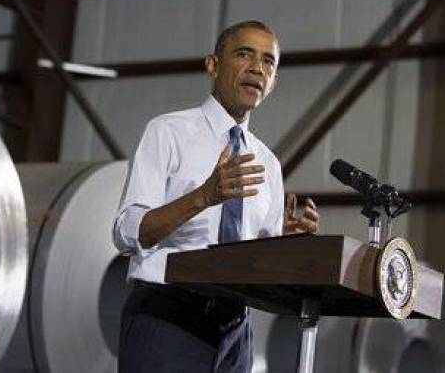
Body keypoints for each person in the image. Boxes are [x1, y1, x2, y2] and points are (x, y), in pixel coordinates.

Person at [112, 20, 320, 373]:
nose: (257, 67)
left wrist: (285, 245)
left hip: (236, 330)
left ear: (274, 81)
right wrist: (204, 196)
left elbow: (258, 263)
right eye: (244, 54)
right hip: (169, 318)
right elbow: (127, 232)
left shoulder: (267, 163)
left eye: (268, 61)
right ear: (213, 65)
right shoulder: (169, 132)